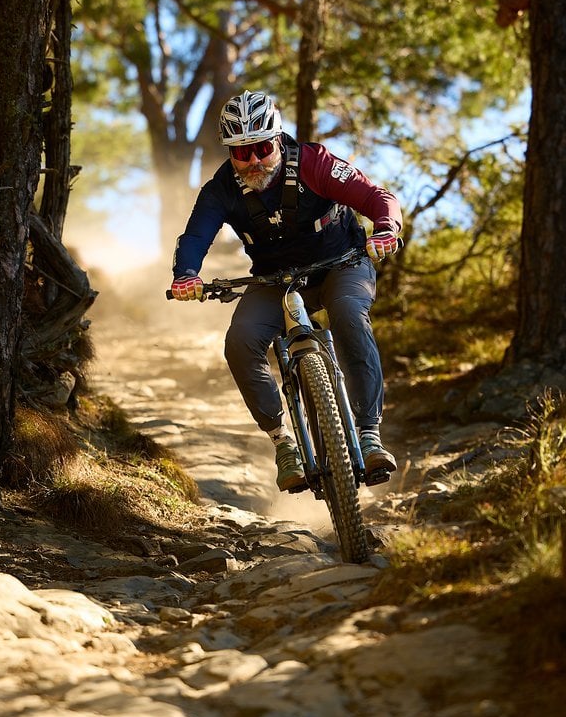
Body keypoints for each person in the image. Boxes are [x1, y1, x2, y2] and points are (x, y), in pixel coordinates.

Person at [169, 90, 403, 493]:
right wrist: (186, 273)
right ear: (230, 154)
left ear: (277, 139)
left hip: (342, 264)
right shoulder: (220, 189)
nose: (254, 160)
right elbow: (194, 237)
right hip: (274, 280)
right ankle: (283, 442)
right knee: (240, 340)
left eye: (261, 147)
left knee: (348, 313)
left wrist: (386, 229)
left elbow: (376, 198)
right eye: (242, 153)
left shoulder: (316, 163)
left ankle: (369, 433)